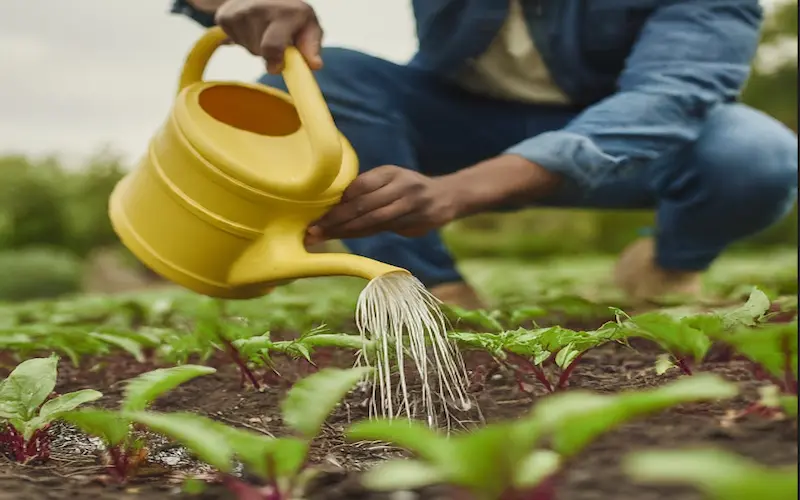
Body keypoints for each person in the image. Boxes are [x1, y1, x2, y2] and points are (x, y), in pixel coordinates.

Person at [171, 0, 798, 309]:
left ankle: (666, 268)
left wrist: (461, 190)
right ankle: (428, 292)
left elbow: (672, 95)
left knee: (756, 155)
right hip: (457, 117)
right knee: (325, 84)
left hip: (625, 136)